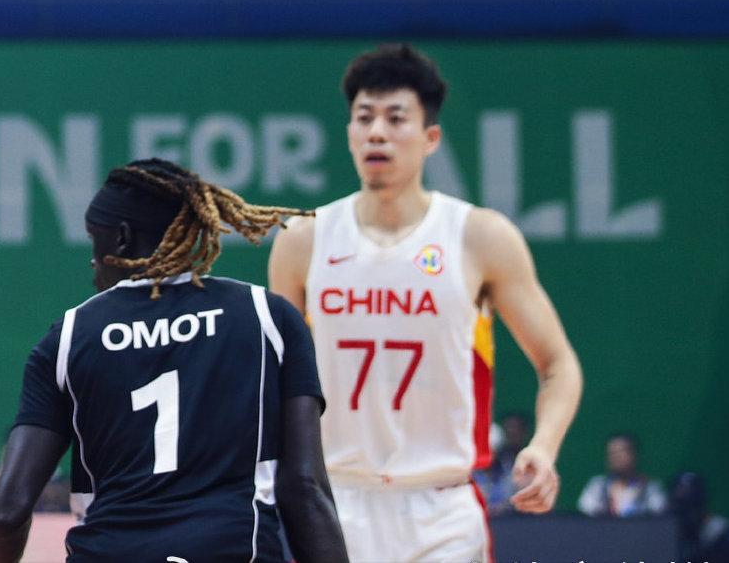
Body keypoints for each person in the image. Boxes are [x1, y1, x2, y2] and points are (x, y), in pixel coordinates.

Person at [269, 43, 584, 562]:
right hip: (335, 502)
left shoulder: (479, 237)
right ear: (349, 132)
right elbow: (274, 378)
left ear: (430, 137)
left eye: (396, 119)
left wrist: (544, 448)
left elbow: (558, 365)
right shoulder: (304, 239)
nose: (377, 132)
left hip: (442, 508)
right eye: (364, 118)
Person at [0, 159, 347, 563]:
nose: (92, 260)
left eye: (94, 240)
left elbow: (7, 514)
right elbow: (304, 488)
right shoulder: (268, 317)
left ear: (121, 239)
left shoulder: (68, 338)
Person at [576, 433, 668, 517]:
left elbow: (659, 516)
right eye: (612, 453)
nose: (616, 457)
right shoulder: (597, 486)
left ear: (634, 454)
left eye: (621, 451)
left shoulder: (651, 488)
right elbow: (585, 515)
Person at [474, 410, 531, 514]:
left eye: (492, 450)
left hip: (511, 520)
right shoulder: (469, 473)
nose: (488, 456)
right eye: (483, 450)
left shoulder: (513, 467)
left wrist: (505, 506)